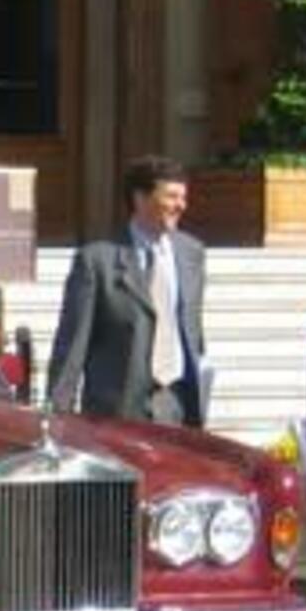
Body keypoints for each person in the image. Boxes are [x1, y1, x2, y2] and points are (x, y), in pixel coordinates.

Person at [46, 155, 208, 426]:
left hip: (177, 406)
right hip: (118, 413)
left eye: (183, 198)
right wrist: (59, 416)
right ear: (140, 198)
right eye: (171, 197)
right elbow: (72, 345)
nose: (181, 206)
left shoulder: (191, 253)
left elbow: (192, 329)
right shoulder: (98, 261)